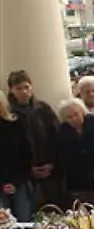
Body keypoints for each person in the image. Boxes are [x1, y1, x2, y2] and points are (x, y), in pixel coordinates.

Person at [7, 70, 63, 208]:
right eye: (19, 88)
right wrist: (28, 168)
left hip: (49, 168)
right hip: (24, 175)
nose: (24, 92)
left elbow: (56, 136)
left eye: (26, 87)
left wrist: (52, 163)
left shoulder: (43, 108)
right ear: (11, 90)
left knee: (55, 206)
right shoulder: (9, 113)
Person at [56, 98, 94, 206]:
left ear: (82, 112)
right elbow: (64, 154)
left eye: (76, 114)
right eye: (69, 117)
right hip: (76, 178)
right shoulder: (63, 130)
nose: (74, 119)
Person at [0, 92, 33, 221]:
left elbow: (26, 153)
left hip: (19, 182)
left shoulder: (16, 124)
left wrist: (15, 182)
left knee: (24, 222)